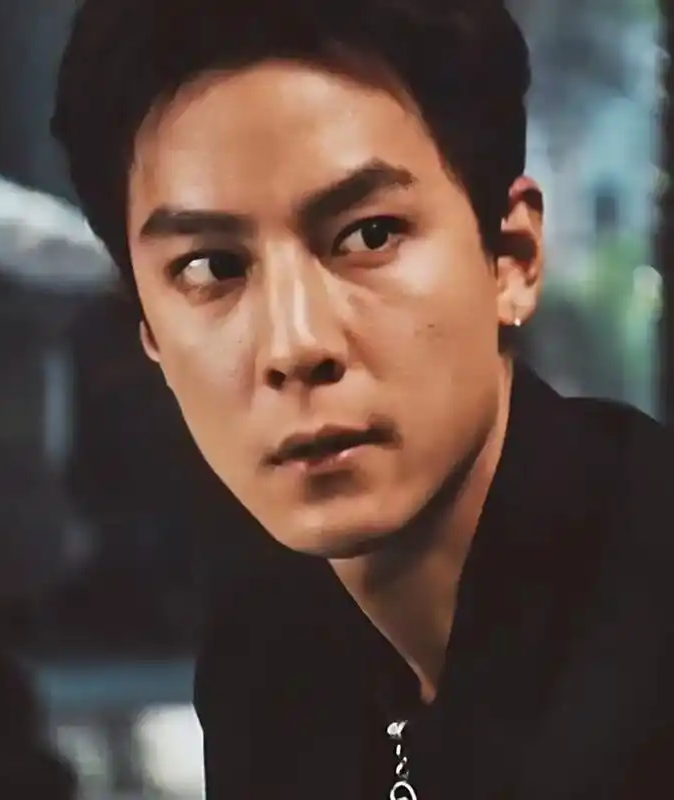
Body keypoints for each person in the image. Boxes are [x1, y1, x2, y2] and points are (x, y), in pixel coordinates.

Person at [51, 0, 674, 797]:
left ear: (510, 257)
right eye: (211, 267)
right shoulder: (267, 661)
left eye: (369, 235)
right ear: (150, 334)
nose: (295, 344)